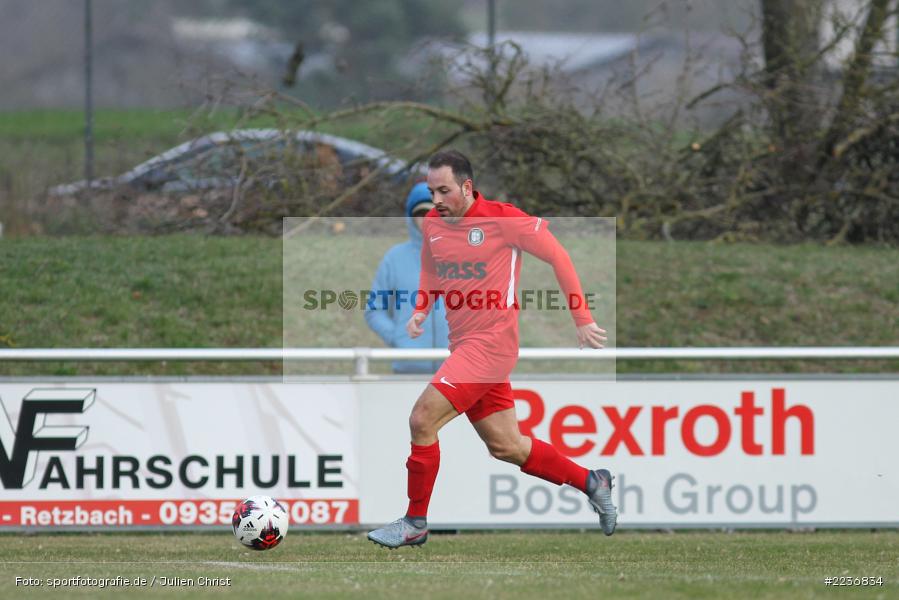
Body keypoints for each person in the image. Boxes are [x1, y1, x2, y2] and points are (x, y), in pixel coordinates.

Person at [367, 150, 616, 549]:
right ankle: (592, 481)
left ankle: (415, 522)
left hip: (491, 346)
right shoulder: (434, 226)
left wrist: (582, 318)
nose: (436, 201)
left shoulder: (503, 219)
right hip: (465, 347)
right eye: (432, 192)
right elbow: (432, 270)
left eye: (444, 191)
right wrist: (420, 310)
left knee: (421, 420)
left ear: (467, 187)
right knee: (507, 446)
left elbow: (558, 256)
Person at [364, 182, 450, 373]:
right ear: (411, 217)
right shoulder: (394, 259)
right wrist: (398, 337)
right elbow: (374, 310)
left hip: (457, 374)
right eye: (421, 213)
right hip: (408, 371)